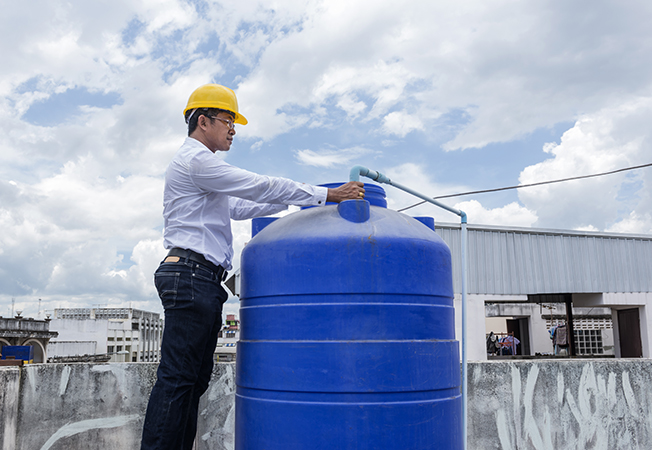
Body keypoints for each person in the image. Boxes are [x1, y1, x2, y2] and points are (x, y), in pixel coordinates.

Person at [140, 84, 364, 450]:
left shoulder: (203, 171)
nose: (233, 130)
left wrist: (298, 203)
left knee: (192, 382)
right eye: (228, 121)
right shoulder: (197, 161)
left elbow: (240, 206)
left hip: (200, 279)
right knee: (178, 380)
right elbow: (259, 186)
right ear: (203, 121)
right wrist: (326, 195)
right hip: (191, 276)